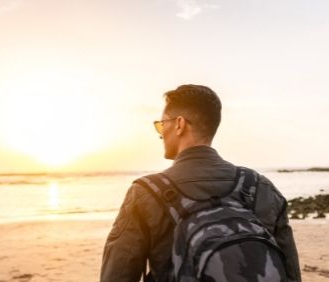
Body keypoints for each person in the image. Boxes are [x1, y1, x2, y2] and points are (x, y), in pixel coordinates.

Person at [100, 84, 302, 282]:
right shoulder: (261, 188)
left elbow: (117, 276)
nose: (160, 133)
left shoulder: (145, 193)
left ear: (179, 124)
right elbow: (291, 274)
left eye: (161, 124)